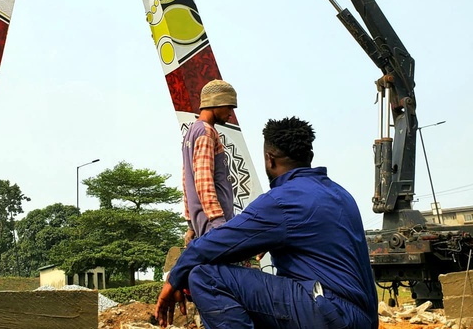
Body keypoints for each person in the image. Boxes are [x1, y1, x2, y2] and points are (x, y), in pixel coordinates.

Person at [157, 116, 378, 329]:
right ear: (309, 155)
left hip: (331, 314)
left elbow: (214, 244)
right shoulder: (341, 195)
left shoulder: (282, 200)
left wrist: (174, 278)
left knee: (205, 277)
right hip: (360, 318)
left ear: (269, 159)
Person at [182, 79, 238, 244]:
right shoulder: (206, 132)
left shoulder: (192, 132)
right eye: (229, 107)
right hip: (214, 226)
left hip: (206, 225)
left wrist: (191, 224)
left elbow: (186, 180)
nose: (231, 113)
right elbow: (203, 182)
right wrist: (219, 223)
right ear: (216, 103)